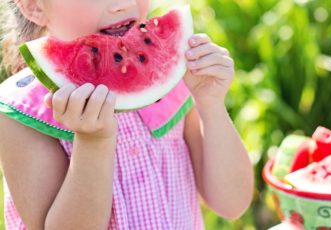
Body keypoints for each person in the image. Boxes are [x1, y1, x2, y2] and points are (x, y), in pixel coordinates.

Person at [0, 0, 254, 229]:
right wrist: (93, 144)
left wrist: (211, 105)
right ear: (34, 6)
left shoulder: (174, 77)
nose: (123, 4)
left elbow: (232, 203)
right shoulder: (22, 112)